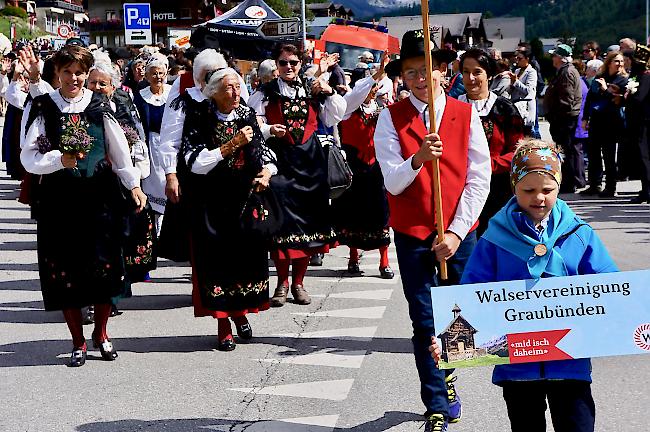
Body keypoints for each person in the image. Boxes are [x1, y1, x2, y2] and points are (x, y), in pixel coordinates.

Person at [430, 139, 618, 432]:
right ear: (514, 187)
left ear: (559, 186)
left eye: (547, 190)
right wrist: (450, 340)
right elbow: (470, 297)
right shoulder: (493, 240)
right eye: (528, 190)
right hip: (517, 365)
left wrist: (634, 317)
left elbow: (611, 287)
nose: (539, 198)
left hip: (570, 361)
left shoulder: (580, 234)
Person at [375, 29, 491, 431]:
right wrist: (419, 158)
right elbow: (392, 181)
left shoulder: (465, 113)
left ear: (443, 71)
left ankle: (451, 373)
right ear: (401, 77)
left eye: (427, 70)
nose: (420, 79)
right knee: (424, 320)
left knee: (461, 319)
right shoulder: (390, 119)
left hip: (459, 232)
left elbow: (480, 178)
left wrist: (457, 233)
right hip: (412, 233)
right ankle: (437, 402)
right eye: (410, 72)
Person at [20, 45, 147, 367]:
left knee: (105, 270)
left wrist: (133, 184)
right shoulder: (44, 107)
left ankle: (101, 334)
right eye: (67, 72)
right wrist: (56, 160)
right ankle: (77, 340)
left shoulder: (99, 105)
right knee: (67, 273)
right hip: (60, 203)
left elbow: (119, 151)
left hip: (100, 199)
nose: (74, 78)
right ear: (57, 75)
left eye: (79, 72)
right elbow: (28, 157)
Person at [177, 66, 277, 351]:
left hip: (245, 199)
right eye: (229, 88)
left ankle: (241, 313)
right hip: (212, 201)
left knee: (245, 261)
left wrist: (267, 172)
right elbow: (194, 162)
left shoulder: (246, 115)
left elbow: (261, 150)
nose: (235, 93)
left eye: (237, 87)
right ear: (214, 92)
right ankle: (223, 325)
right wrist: (232, 144)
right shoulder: (200, 117)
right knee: (217, 264)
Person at [257, 44, 346, 307]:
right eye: (283, 63)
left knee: (308, 228)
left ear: (300, 63)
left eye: (293, 62)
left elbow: (336, 115)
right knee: (282, 226)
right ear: (276, 65)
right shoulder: (265, 93)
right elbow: (254, 123)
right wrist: (270, 129)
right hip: (280, 163)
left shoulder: (312, 89)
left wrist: (328, 91)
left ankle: (299, 283)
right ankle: (282, 283)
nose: (289, 67)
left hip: (310, 163)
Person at [332, 54, 394, 279]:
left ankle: (384, 262)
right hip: (354, 167)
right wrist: (376, 74)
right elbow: (356, 95)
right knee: (353, 213)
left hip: (376, 167)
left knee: (380, 213)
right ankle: (353, 257)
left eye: (375, 87)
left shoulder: (383, 110)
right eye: (370, 87)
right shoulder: (346, 108)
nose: (373, 91)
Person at [458, 49, 524, 237]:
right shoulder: (451, 107)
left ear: (489, 74)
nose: (471, 78)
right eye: (465, 72)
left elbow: (518, 151)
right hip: (462, 192)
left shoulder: (504, 108)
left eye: (477, 72)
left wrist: (487, 165)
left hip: (498, 191)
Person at [581, 51, 628, 197]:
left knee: (608, 155)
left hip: (612, 121)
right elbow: (590, 98)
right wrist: (585, 118)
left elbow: (617, 100)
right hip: (597, 120)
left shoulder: (623, 80)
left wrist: (605, 89)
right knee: (594, 153)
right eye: (616, 61)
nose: (619, 64)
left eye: (621, 61)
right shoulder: (600, 77)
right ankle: (595, 184)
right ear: (609, 63)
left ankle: (611, 186)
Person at [134, 53, 172, 233]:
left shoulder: (172, 93)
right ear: (147, 76)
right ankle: (155, 226)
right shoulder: (140, 96)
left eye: (161, 73)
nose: (158, 77)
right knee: (152, 183)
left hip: (170, 144)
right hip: (150, 145)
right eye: (154, 73)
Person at [543, 44, 583, 194]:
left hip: (564, 120)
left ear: (561, 58)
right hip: (563, 119)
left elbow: (566, 99)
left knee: (566, 151)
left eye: (554, 56)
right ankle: (570, 181)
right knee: (567, 150)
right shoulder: (564, 71)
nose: (552, 58)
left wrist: (555, 117)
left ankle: (569, 183)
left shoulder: (566, 73)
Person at [508, 46, 538, 135]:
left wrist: (515, 82)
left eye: (520, 58)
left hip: (526, 108)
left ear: (527, 59)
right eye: (516, 58)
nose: (517, 60)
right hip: (516, 106)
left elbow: (529, 90)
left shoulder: (532, 72)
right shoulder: (517, 71)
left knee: (528, 133)